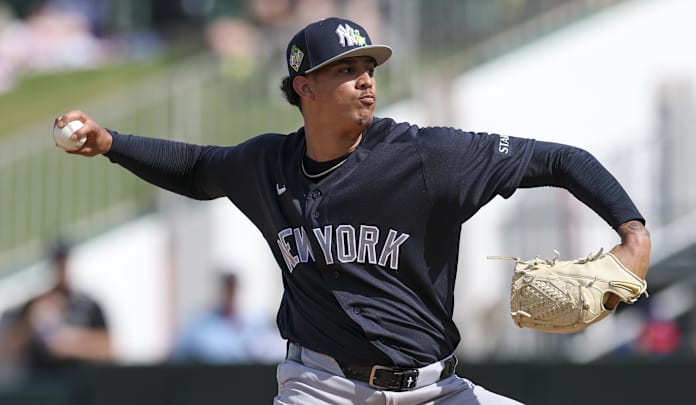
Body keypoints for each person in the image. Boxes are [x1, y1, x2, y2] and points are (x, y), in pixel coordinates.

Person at [53, 17, 651, 404]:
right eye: (346, 70)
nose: (366, 81)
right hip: (321, 389)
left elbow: (561, 159)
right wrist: (111, 143)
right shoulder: (268, 167)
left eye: (369, 68)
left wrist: (633, 234)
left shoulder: (426, 156)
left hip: (435, 389)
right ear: (304, 88)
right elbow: (198, 167)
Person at [0, 239, 113, 398]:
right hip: (42, 389)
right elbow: (7, 349)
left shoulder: (88, 305)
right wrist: (30, 323)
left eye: (64, 261)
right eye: (57, 261)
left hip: (80, 387)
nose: (60, 268)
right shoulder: (35, 304)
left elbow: (109, 349)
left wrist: (69, 343)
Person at [169, 271, 285, 364]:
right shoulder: (202, 323)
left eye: (233, 288)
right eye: (227, 288)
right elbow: (181, 353)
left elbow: (273, 351)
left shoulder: (257, 320)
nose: (230, 293)